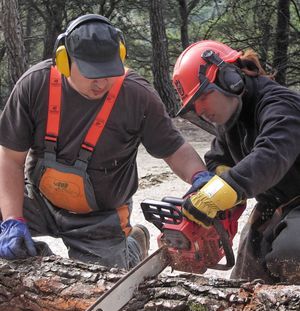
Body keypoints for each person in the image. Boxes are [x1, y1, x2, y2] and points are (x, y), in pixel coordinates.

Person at [0, 14, 207, 269]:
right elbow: (10, 159)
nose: (101, 83)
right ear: (64, 61)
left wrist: (200, 178)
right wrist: (12, 220)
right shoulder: (35, 85)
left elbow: (175, 149)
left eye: (108, 73)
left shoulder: (137, 95)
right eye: (91, 74)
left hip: (100, 217)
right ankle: (40, 265)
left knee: (104, 283)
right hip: (38, 199)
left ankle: (133, 245)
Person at [172, 40, 300, 284]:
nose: (200, 109)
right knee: (243, 285)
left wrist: (227, 188)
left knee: (290, 254)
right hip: (274, 207)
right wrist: (209, 187)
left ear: (230, 78)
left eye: (204, 95)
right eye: (193, 104)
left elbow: (270, 156)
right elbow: (219, 160)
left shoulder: (280, 106)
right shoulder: (233, 118)